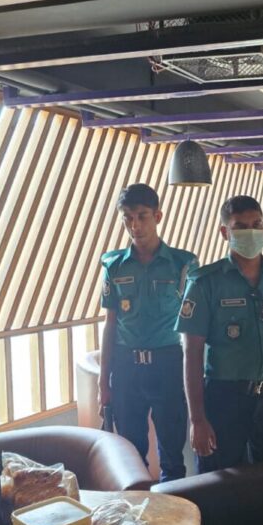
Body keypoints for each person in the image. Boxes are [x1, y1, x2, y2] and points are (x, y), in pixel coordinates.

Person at [175, 195, 263, 473]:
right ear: (225, 232)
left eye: (257, 224)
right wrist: (197, 419)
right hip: (225, 400)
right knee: (220, 481)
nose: (251, 232)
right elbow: (192, 353)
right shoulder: (205, 283)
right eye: (240, 226)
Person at [99, 183, 198, 481]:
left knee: (173, 454)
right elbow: (110, 324)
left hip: (169, 365)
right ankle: (138, 509)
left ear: (158, 216)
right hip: (126, 367)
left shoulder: (183, 264)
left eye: (142, 216)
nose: (135, 225)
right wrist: (104, 382)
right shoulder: (113, 265)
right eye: (128, 218)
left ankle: (174, 507)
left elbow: (194, 327)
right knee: (130, 456)